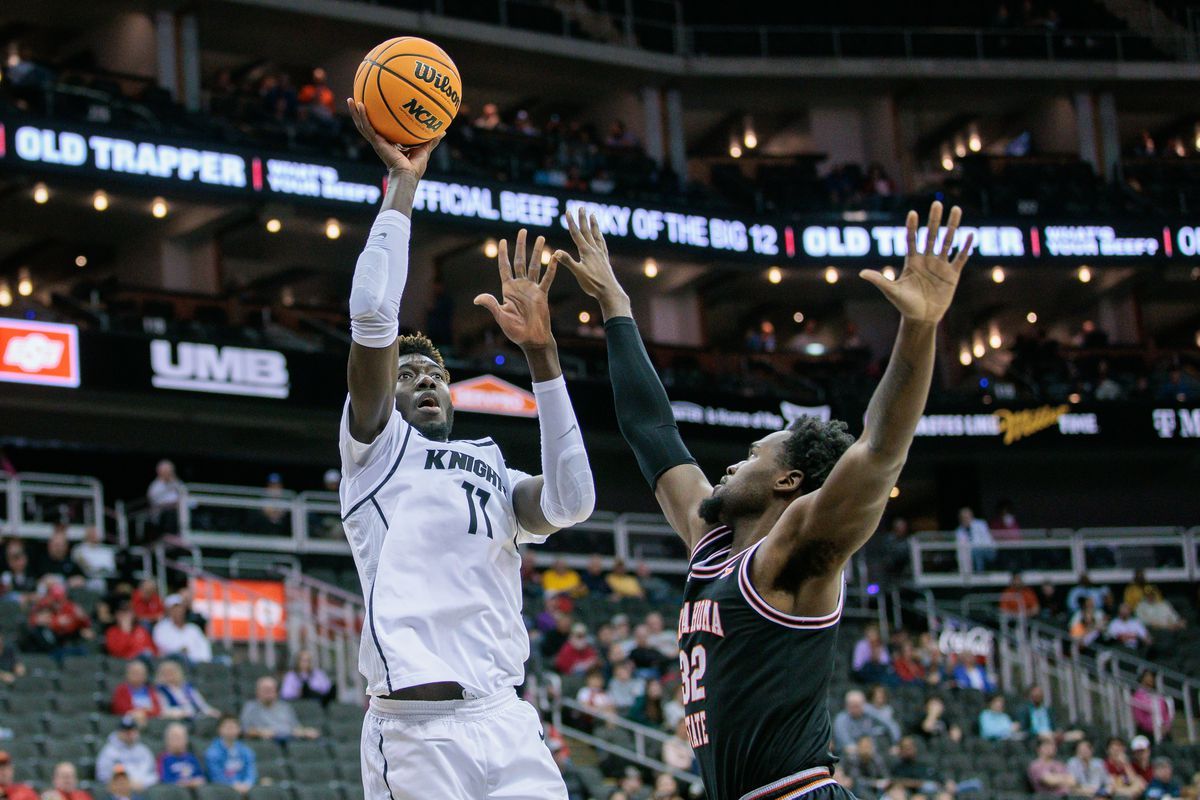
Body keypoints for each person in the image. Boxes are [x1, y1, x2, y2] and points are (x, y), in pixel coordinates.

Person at [557, 200, 975, 800]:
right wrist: (616, 305)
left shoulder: (797, 548)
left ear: (788, 482)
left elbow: (880, 451)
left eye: (753, 455)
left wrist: (920, 327)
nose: (731, 464)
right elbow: (651, 431)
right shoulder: (713, 545)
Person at [340, 99, 595, 800]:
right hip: (416, 730)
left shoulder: (491, 463)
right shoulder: (375, 452)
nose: (424, 381)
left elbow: (573, 503)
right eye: (407, 376)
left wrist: (543, 358)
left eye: (436, 376)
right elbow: (371, 316)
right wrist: (403, 187)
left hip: (506, 719)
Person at [239, 675, 318, 741]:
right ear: (257, 692)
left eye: (271, 689)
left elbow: (295, 728)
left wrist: (306, 732)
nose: (268, 693)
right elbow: (245, 730)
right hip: (267, 744)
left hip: (289, 740)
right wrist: (260, 732)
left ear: (276, 692)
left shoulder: (285, 707)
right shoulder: (250, 707)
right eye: (265, 690)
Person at [96, 716, 159, 791]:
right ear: (119, 732)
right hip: (119, 791)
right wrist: (126, 784)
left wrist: (143, 783)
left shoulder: (144, 751)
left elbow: (154, 774)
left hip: (144, 790)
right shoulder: (109, 751)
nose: (129, 734)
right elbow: (103, 776)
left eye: (132, 730)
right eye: (125, 731)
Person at [151, 594, 212, 663]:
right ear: (168, 611)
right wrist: (180, 651)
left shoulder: (193, 629)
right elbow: (163, 647)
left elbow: (204, 647)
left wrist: (203, 660)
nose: (178, 611)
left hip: (197, 663)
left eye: (180, 608)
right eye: (174, 609)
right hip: (174, 663)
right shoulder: (161, 628)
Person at [205, 715, 257, 794]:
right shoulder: (212, 752)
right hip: (223, 791)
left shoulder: (245, 750)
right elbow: (216, 775)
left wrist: (247, 783)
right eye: (228, 727)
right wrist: (233, 785)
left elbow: (250, 770)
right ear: (220, 729)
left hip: (245, 788)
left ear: (239, 729)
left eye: (234, 727)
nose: (231, 730)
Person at [157, 723, 205, 787]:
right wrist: (184, 783)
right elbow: (165, 781)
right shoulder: (163, 759)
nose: (178, 741)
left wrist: (193, 782)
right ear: (167, 740)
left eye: (181, 737)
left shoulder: (192, 758)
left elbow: (201, 779)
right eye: (174, 737)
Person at [72, 526, 116, 591]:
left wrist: (94, 568)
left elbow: (110, 568)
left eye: (95, 534)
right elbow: (82, 566)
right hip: (85, 579)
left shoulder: (106, 551)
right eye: (91, 533)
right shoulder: (79, 549)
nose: (93, 536)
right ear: (86, 535)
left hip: (104, 580)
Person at [1131, 671, 1174, 737]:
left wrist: (1166, 725)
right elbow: (1140, 716)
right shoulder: (1138, 695)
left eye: (1151, 677)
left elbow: (1165, 712)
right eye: (1147, 676)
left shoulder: (1158, 695)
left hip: (1162, 729)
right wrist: (1151, 727)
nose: (1150, 679)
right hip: (1147, 730)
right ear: (1142, 678)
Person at [147, 459, 183, 535]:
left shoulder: (177, 483)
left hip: (180, 513)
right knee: (170, 514)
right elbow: (157, 503)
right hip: (162, 515)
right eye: (166, 471)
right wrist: (174, 504)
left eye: (170, 471)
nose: (169, 473)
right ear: (160, 472)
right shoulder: (155, 486)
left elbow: (185, 496)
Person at [955, 507, 995, 573]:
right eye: (963, 518)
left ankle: (979, 574)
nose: (965, 520)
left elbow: (987, 541)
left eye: (967, 517)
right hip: (970, 552)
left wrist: (974, 547)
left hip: (987, 550)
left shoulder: (981, 524)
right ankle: (965, 573)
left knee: (976, 551)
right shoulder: (959, 530)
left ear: (971, 517)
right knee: (963, 553)